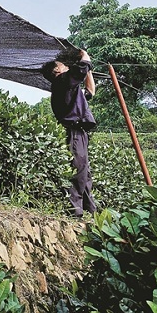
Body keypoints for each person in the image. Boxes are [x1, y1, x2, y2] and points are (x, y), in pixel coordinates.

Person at [41, 49, 97, 218]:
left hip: (80, 133)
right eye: (62, 65)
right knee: (77, 173)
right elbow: (81, 68)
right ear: (57, 71)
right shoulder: (60, 82)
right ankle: (75, 214)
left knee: (85, 174)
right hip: (73, 132)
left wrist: (89, 71)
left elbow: (90, 91)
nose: (66, 66)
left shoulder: (70, 89)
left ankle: (91, 213)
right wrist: (83, 53)